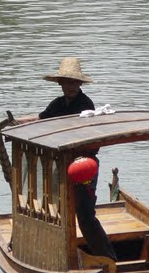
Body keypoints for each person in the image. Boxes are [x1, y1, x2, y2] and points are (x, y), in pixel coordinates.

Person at [38, 58, 116, 262]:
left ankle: (108, 259)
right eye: (67, 82)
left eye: (74, 82)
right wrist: (11, 123)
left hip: (83, 167)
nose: (70, 86)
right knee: (54, 210)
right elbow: (40, 121)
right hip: (61, 165)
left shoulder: (85, 105)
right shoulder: (56, 105)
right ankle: (56, 256)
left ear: (79, 84)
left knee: (85, 215)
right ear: (60, 84)